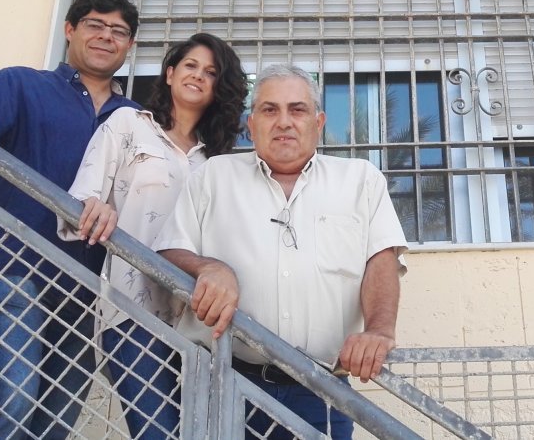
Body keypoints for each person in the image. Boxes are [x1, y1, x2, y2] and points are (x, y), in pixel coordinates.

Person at [0, 0, 139, 439]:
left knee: (56, 420)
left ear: (130, 45)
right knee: (13, 399)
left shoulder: (137, 118)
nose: (106, 37)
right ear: (69, 31)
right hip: (17, 270)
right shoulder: (22, 84)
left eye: (118, 31)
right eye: (94, 25)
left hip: (88, 291)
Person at [156, 64, 409, 440]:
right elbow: (170, 249)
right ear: (251, 122)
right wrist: (209, 267)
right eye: (270, 110)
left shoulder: (359, 180)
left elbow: (382, 259)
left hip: (322, 390)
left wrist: (379, 331)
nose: (284, 121)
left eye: (298, 109)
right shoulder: (214, 176)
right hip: (220, 381)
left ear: (318, 122)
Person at [61, 33, 247, 440]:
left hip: (197, 322)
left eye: (211, 72)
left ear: (219, 89)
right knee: (155, 432)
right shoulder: (128, 124)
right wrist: (100, 207)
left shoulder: (218, 162)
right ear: (169, 73)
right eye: (191, 66)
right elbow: (82, 196)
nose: (198, 76)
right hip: (132, 312)